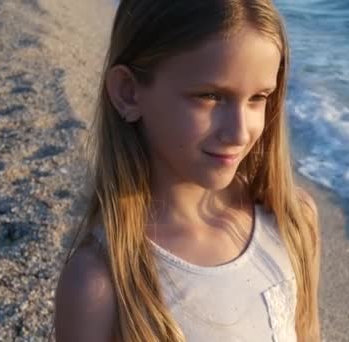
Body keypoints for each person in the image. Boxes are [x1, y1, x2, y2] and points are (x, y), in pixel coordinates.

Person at [53, 1, 321, 341]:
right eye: (210, 96)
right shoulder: (100, 282)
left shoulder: (292, 222)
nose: (240, 132)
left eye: (259, 97)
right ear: (128, 92)